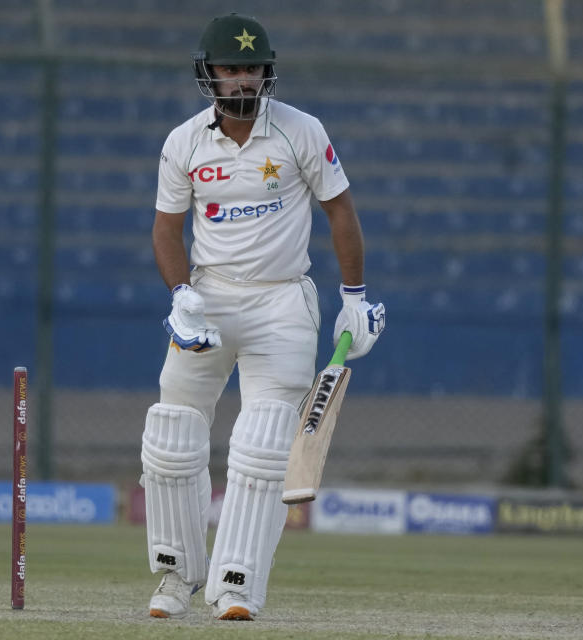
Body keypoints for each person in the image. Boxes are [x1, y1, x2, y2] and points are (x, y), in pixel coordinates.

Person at [140, 13, 386, 621]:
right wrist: (180, 295)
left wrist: (354, 296)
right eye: (231, 70)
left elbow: (342, 213)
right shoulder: (185, 142)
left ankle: (236, 584)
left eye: (252, 69)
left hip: (281, 303)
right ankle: (176, 578)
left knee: (264, 442)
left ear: (266, 72)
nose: (243, 80)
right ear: (210, 75)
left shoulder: (302, 132)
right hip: (210, 298)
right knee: (171, 434)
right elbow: (166, 232)